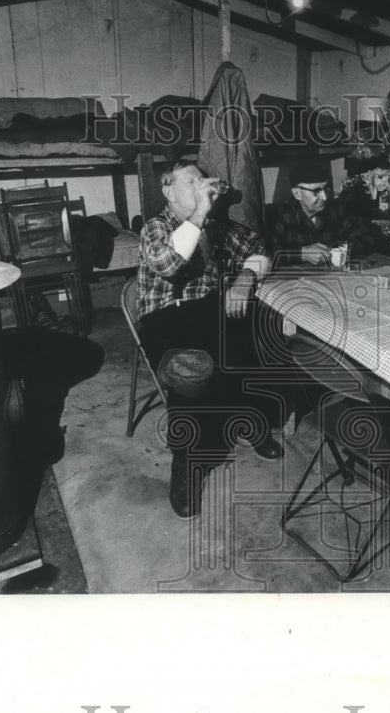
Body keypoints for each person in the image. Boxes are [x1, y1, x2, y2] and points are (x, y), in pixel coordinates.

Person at [135, 161, 281, 518]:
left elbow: (260, 247)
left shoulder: (217, 227)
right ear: (169, 192)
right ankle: (185, 462)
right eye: (192, 182)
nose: (202, 187)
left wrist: (245, 278)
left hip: (206, 311)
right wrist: (200, 211)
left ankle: (247, 416)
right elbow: (167, 263)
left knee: (253, 337)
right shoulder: (155, 226)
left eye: (204, 182)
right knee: (190, 373)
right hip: (165, 318)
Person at [266, 162, 381, 267]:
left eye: (327, 188)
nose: (325, 197)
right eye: (316, 191)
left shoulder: (337, 210)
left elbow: (370, 238)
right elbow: (266, 256)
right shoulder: (281, 216)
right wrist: (301, 254)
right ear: (297, 193)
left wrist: (334, 250)